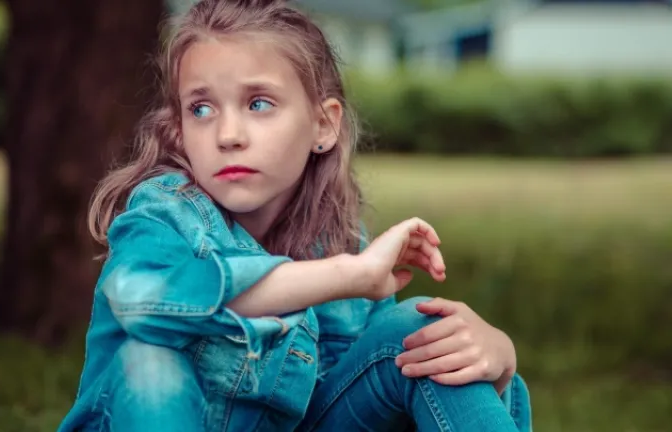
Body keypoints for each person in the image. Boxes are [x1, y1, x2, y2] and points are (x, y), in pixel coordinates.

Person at [57, 0, 532, 430]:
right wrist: (346, 275)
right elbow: (138, 301)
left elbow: (390, 388)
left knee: (427, 342)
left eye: (258, 103)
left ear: (323, 125)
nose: (228, 134)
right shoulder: (162, 215)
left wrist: (500, 360)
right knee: (149, 364)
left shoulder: (339, 242)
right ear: (179, 130)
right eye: (201, 108)